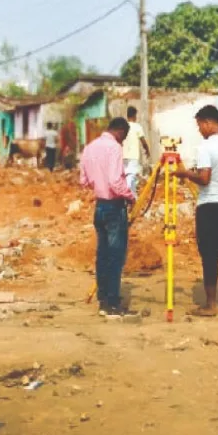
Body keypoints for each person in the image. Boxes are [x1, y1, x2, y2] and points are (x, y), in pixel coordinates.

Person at [172, 105, 218, 317]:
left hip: (209, 206)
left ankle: (211, 305)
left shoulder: (206, 147)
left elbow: (204, 179)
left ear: (207, 123)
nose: (199, 131)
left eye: (199, 126)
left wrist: (185, 173)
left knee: (209, 255)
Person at [79, 118, 136, 317]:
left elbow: (84, 180)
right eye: (124, 137)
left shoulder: (90, 147)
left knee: (103, 255)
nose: (123, 142)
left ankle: (103, 299)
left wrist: (99, 182)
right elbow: (114, 181)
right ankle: (112, 303)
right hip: (113, 206)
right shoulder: (114, 148)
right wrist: (130, 196)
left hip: (100, 207)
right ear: (120, 131)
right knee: (115, 255)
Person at [123, 107, 150, 195]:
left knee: (126, 178)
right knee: (131, 179)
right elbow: (143, 141)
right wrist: (147, 150)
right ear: (135, 115)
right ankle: (132, 199)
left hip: (123, 156)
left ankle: (127, 198)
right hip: (133, 156)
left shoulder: (123, 127)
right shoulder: (137, 127)